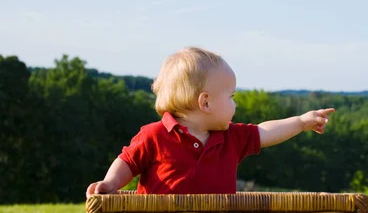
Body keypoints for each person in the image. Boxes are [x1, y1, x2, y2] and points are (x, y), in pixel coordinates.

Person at [85, 47, 334, 198]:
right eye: (231, 97)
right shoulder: (154, 135)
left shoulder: (230, 137)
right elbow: (128, 161)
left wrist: (301, 122)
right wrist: (110, 183)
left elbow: (264, 131)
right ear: (206, 103)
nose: (235, 104)